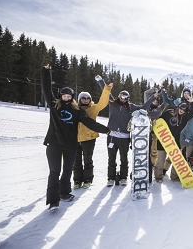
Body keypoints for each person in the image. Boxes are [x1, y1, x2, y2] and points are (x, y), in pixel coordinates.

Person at [41, 65, 109, 212]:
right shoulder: (54, 106)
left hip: (71, 145)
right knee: (54, 172)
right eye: (64, 95)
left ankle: (64, 193)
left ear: (72, 97)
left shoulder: (77, 110)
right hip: (54, 144)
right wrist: (46, 72)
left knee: (67, 171)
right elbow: (46, 89)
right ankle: (53, 201)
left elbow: (90, 123)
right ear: (60, 96)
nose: (66, 97)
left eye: (69, 95)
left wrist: (106, 130)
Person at [106, 89, 157, 187]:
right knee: (111, 158)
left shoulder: (131, 107)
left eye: (125, 98)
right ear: (119, 96)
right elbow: (107, 93)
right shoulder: (113, 103)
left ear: (128, 99)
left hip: (124, 137)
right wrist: (101, 81)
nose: (123, 99)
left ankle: (123, 177)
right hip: (112, 136)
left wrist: (153, 97)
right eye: (121, 97)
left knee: (124, 158)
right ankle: (111, 178)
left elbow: (143, 107)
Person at [73, 83, 112, 189]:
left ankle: (87, 179)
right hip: (75, 138)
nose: (86, 100)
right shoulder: (75, 108)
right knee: (76, 161)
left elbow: (103, 103)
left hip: (89, 138)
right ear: (79, 99)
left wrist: (107, 89)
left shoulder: (93, 108)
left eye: (88, 98)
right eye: (83, 98)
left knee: (87, 160)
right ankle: (77, 180)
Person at [156, 102, 189, 182]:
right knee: (161, 160)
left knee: (176, 160)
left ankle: (174, 176)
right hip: (164, 139)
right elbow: (159, 121)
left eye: (184, 110)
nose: (182, 110)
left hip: (175, 142)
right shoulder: (169, 113)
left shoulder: (184, 118)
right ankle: (158, 176)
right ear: (178, 107)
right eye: (181, 108)